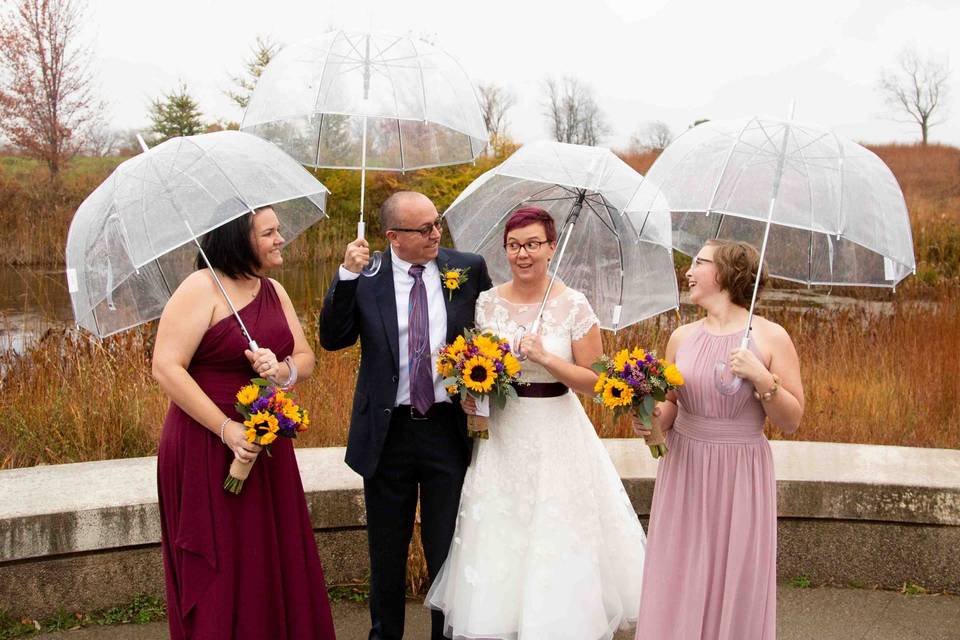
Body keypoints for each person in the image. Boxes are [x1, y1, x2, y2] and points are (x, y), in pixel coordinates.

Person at [426, 206, 647, 640]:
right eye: (514, 245)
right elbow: (478, 367)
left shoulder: (574, 305)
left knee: (556, 529)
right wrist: (473, 395)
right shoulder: (487, 302)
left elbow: (597, 383)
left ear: (550, 248)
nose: (522, 254)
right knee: (501, 531)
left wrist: (546, 357)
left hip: (557, 430)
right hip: (503, 435)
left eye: (532, 244)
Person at [153, 207, 336, 640]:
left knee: (267, 555)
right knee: (223, 560)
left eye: (278, 230)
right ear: (239, 239)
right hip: (206, 443)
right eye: (269, 232)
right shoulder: (200, 288)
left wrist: (281, 369)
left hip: (266, 440)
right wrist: (226, 429)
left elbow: (306, 360)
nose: (280, 238)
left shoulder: (274, 290)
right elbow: (166, 368)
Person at [319, 191, 492, 640]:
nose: (436, 234)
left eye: (437, 224)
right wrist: (346, 276)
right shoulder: (367, 275)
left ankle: (447, 634)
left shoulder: (467, 268)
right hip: (386, 433)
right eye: (424, 229)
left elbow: (492, 337)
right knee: (387, 553)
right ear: (393, 237)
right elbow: (333, 338)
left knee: (446, 551)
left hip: (446, 430)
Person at [634, 240, 804, 640]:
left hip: (741, 472)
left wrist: (763, 379)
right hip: (685, 467)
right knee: (679, 570)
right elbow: (674, 402)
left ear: (727, 274)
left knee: (736, 572)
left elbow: (792, 419)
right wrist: (654, 418)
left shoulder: (771, 337)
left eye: (699, 263)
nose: (689, 271)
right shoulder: (681, 337)